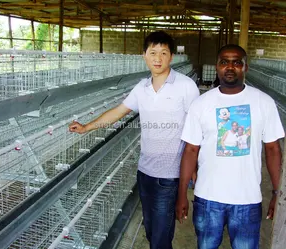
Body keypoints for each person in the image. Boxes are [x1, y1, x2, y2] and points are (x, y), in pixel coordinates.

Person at [69, 31, 199, 249]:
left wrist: (193, 170)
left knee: (160, 237)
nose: (158, 58)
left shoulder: (186, 86)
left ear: (172, 57)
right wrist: (87, 127)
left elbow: (197, 129)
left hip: (170, 176)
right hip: (145, 172)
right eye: (153, 52)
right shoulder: (142, 88)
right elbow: (118, 111)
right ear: (144, 56)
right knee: (150, 230)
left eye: (163, 53)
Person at [176, 44, 284, 249]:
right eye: (224, 62)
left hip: (248, 200)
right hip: (208, 198)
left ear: (246, 67)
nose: (230, 67)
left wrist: (277, 193)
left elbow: (273, 149)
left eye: (237, 62)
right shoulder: (201, 104)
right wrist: (182, 193)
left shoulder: (263, 102)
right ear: (217, 66)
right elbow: (190, 150)